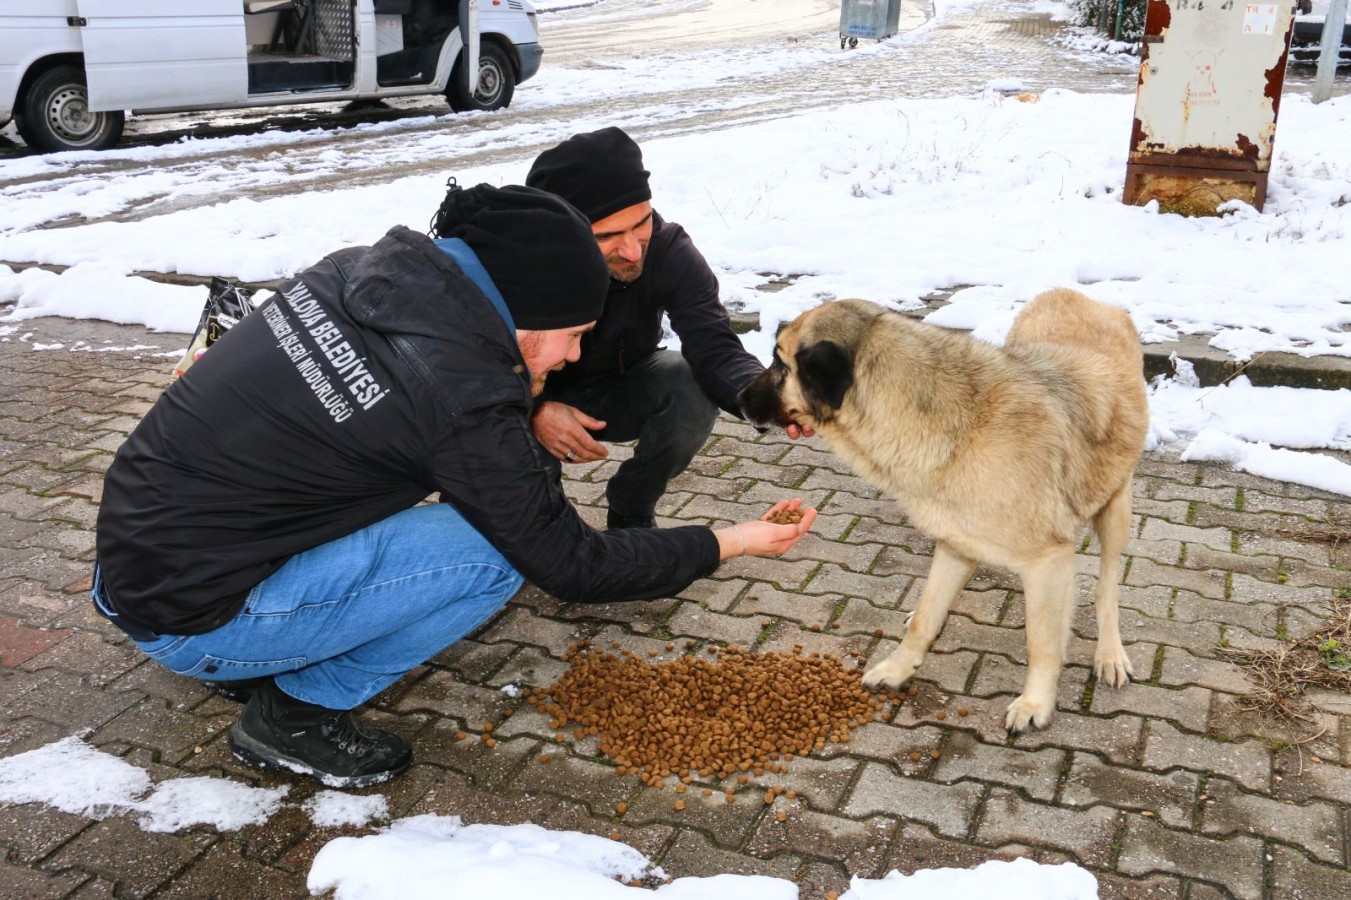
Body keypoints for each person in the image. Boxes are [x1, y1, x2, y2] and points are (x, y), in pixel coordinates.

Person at [92, 183, 817, 789]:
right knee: (494, 555)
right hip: (195, 617)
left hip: (135, 563)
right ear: (525, 312)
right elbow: (568, 563)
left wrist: (518, 388)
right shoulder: (457, 392)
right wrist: (731, 541)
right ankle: (295, 715)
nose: (569, 357)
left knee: (443, 502)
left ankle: (270, 646)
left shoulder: (353, 274)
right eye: (571, 333)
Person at [525, 127, 811, 531]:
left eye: (639, 224)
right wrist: (535, 410)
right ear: (565, 231)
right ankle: (539, 520)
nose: (631, 249)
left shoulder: (669, 249)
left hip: (622, 387)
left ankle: (631, 503)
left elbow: (715, 348)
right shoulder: (518, 265)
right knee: (507, 441)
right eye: (608, 236)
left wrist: (773, 399)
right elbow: (473, 378)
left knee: (688, 380)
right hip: (526, 395)